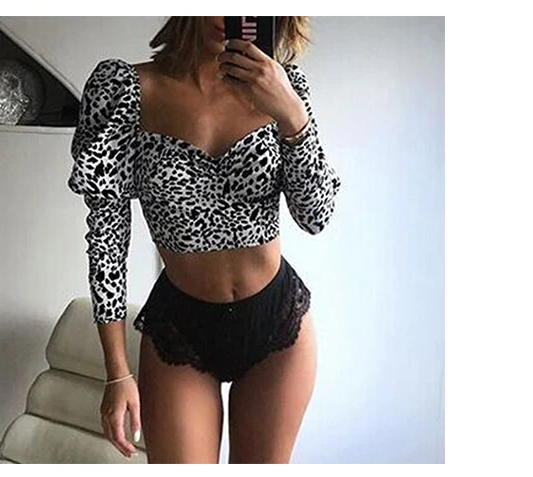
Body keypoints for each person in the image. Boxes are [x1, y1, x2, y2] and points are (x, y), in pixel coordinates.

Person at [67, 16, 341, 464]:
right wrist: (116, 373)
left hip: (277, 323)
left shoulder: (284, 88)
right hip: (181, 328)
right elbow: (107, 236)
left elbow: (316, 217)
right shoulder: (125, 89)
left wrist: (292, 115)